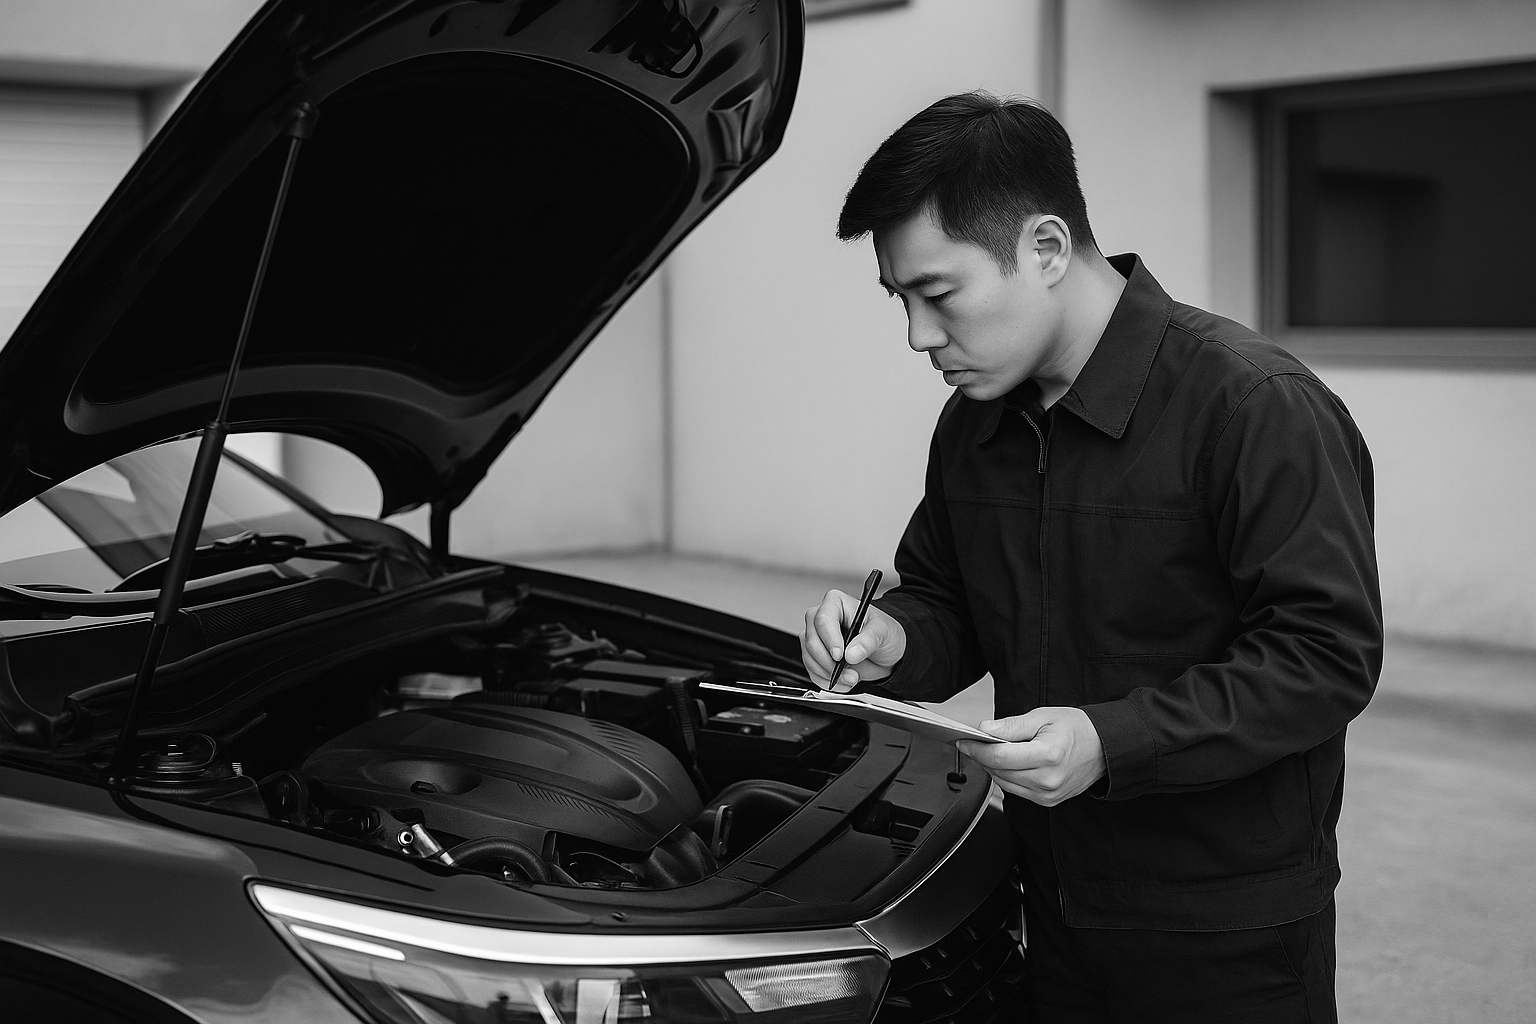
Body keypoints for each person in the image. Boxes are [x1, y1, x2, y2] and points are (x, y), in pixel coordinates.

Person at [800, 92, 1381, 1023]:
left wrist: (1112, 741)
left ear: (1045, 248)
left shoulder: (1252, 407)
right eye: (900, 300)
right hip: (1046, 901)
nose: (917, 335)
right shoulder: (974, 424)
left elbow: (1324, 657)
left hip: (1221, 934)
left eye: (939, 294)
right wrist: (892, 644)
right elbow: (947, 600)